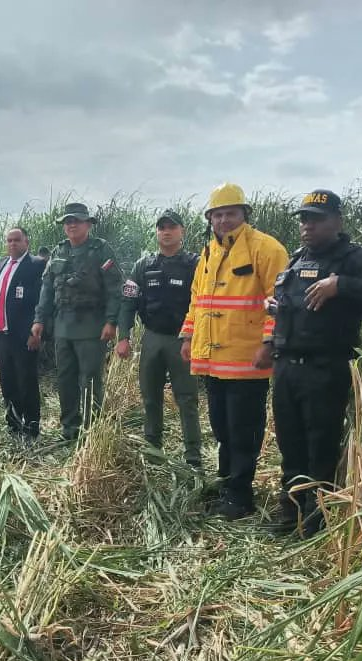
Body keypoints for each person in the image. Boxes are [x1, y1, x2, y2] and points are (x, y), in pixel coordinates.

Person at [268, 189, 362, 536]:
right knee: (290, 443)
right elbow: (296, 305)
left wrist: (340, 285)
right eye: (303, 219)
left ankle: (317, 522)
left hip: (325, 368)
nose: (307, 226)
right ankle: (292, 514)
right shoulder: (296, 260)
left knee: (321, 446)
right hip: (286, 367)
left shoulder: (353, 260)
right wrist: (276, 307)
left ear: (337, 221)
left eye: (316, 219)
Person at [179, 184, 289, 519]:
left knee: (244, 430)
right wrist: (188, 335)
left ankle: (241, 496)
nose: (224, 220)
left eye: (231, 213)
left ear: (244, 215)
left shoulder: (266, 249)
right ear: (210, 219)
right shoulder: (209, 253)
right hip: (213, 362)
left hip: (247, 360)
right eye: (218, 214)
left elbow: (279, 302)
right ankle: (227, 484)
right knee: (222, 429)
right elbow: (198, 300)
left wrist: (269, 343)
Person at [116, 209, 202, 467]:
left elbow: (202, 301)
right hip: (152, 339)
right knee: (150, 396)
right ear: (156, 231)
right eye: (162, 227)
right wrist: (124, 336)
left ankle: (193, 456)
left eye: (172, 227)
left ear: (182, 231)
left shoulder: (195, 264)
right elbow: (128, 301)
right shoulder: (143, 265)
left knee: (187, 399)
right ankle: (153, 450)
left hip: (183, 340)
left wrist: (192, 336)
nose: (166, 231)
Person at [32, 202, 122, 440]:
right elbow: (47, 288)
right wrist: (39, 319)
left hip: (92, 326)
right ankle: (70, 427)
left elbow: (115, 289)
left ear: (88, 224)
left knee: (90, 379)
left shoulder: (101, 250)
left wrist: (111, 321)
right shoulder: (59, 251)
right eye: (67, 222)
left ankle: (92, 429)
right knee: (65, 377)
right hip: (63, 326)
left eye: (76, 221)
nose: (71, 225)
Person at [0, 227, 44, 440]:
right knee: (7, 380)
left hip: (24, 336)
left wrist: (37, 330)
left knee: (26, 380)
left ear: (27, 242)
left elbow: (41, 302)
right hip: (1, 334)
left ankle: (31, 425)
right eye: (9, 240)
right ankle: (13, 423)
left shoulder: (36, 266)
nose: (12, 244)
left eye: (17, 240)